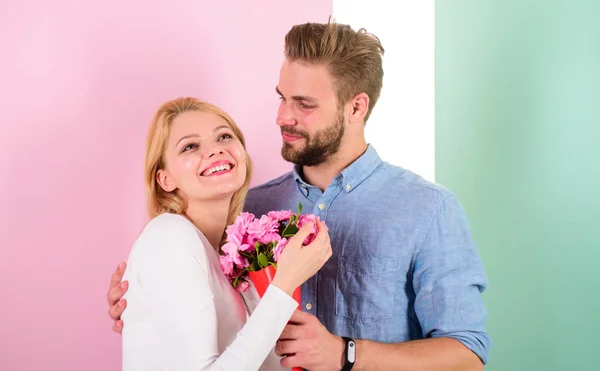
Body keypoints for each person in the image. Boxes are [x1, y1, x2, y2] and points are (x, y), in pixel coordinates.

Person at [108, 21, 492, 370]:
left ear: (356, 107)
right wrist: (144, 300)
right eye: (282, 97)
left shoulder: (428, 210)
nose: (282, 117)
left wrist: (346, 353)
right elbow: (196, 309)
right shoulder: (247, 210)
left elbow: (467, 356)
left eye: (304, 104)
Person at [118, 96, 332, 371]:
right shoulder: (169, 237)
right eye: (190, 146)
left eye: (224, 137)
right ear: (165, 179)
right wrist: (285, 282)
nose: (215, 150)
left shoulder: (229, 256)